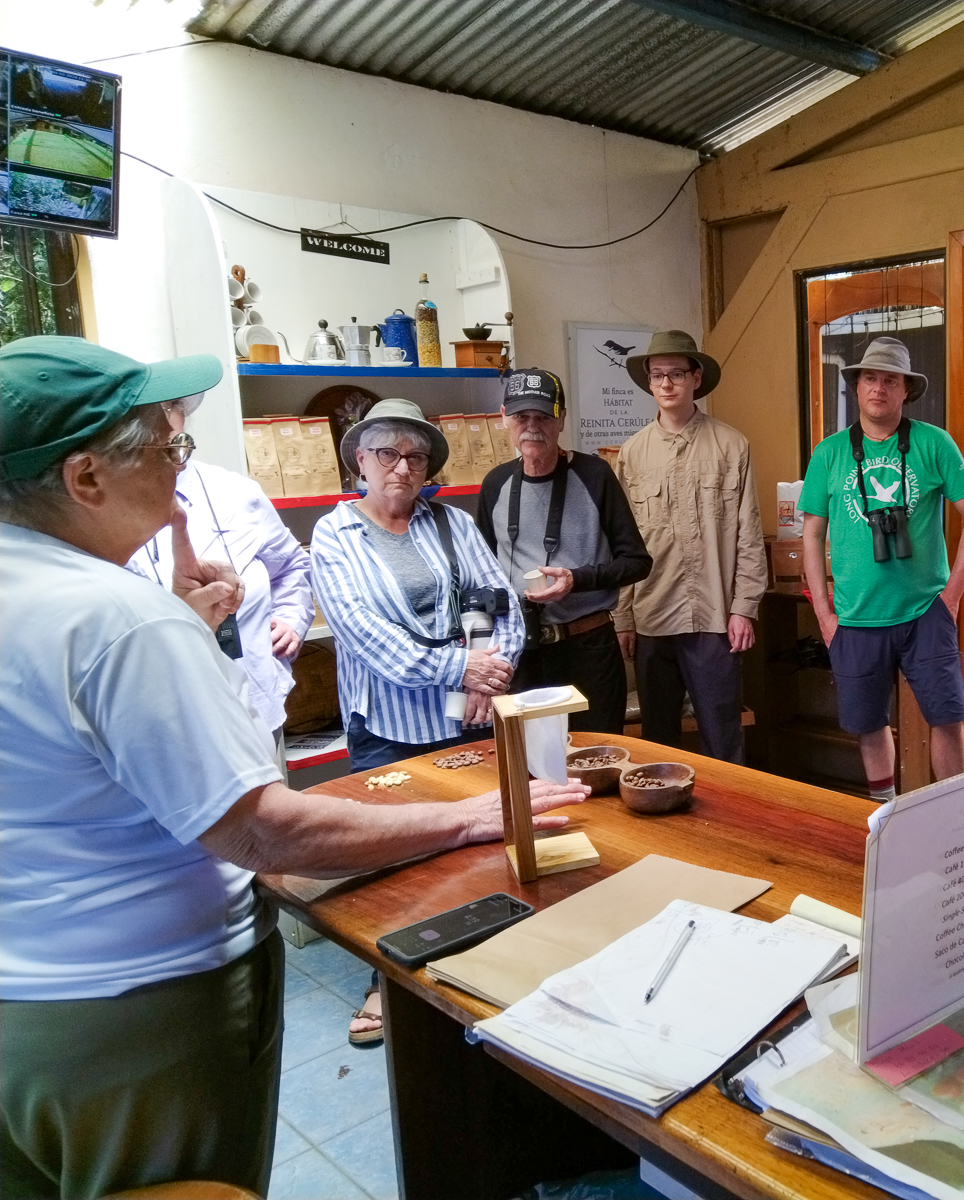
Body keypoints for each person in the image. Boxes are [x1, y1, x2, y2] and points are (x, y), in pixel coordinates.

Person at [0, 337, 587, 1199]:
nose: (179, 472)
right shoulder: (120, 620)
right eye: (166, 450)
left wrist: (185, 628)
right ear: (85, 478)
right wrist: (481, 814)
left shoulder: (59, 596)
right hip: (140, 1013)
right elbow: (266, 831)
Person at [799, 336, 964, 800]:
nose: (879, 388)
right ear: (857, 386)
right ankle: (884, 811)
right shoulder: (829, 453)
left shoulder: (932, 443)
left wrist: (953, 596)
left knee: (947, 715)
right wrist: (824, 614)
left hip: (925, 609)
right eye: (870, 378)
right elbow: (810, 534)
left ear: (906, 390)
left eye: (890, 380)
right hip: (855, 615)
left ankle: (955, 812)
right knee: (868, 723)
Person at [312, 398, 522, 770]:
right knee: (399, 825)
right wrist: (460, 667)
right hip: (387, 729)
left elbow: (499, 604)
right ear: (362, 460)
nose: (403, 468)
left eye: (416, 458)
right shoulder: (335, 533)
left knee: (486, 820)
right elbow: (361, 631)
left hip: (469, 713)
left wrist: (487, 679)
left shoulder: (455, 523)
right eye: (388, 454)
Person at [127, 392, 313, 768]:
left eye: (169, 415)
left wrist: (293, 617)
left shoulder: (236, 492)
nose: (166, 447)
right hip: (166, 716)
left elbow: (292, 564)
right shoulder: (111, 508)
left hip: (255, 698)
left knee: (268, 816)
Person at [614, 331, 764, 763]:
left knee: (723, 737)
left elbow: (749, 533)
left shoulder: (731, 445)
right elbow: (623, 545)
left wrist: (744, 608)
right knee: (658, 741)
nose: (665, 384)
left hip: (715, 620)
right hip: (651, 617)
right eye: (656, 375)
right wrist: (623, 616)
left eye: (676, 373)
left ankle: (729, 824)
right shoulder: (631, 454)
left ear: (696, 377)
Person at [476, 367, 651, 733]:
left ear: (562, 420)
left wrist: (577, 580)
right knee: (530, 768)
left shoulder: (595, 475)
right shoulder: (495, 484)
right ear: (504, 419)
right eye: (522, 416)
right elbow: (482, 575)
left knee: (596, 760)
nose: (532, 426)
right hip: (521, 651)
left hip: (588, 648)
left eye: (544, 416)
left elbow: (637, 562)